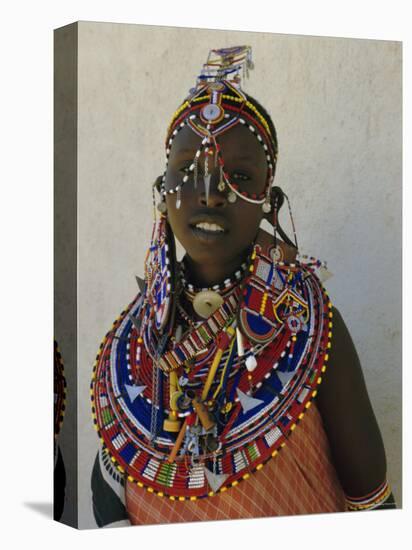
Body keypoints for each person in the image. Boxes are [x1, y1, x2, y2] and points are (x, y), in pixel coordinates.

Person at [90, 46, 395, 527]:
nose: (210, 191)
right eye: (188, 170)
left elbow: (372, 504)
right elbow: (111, 483)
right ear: (160, 191)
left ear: (269, 202)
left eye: (240, 176)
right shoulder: (135, 338)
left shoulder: (307, 323)